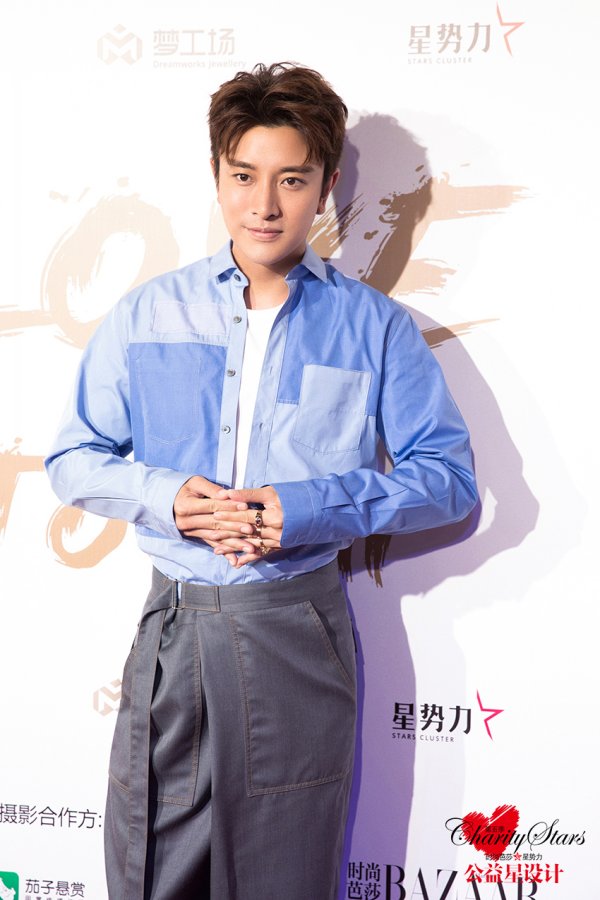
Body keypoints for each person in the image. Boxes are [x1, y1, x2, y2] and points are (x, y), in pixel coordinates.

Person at [45, 62, 478, 900]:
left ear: (327, 187)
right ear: (217, 175)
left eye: (292, 179)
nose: (264, 205)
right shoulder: (146, 313)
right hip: (174, 629)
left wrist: (313, 507)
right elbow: (73, 457)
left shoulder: (374, 327)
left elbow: (448, 478)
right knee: (151, 873)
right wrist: (167, 497)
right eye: (244, 176)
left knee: (284, 877)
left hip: (297, 632)